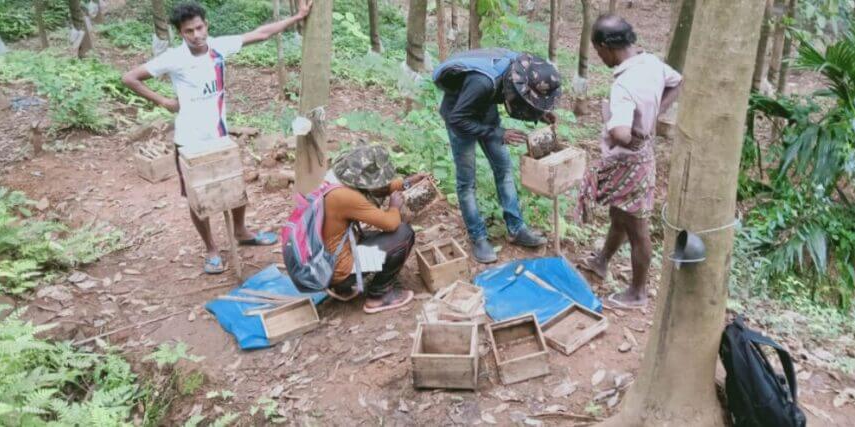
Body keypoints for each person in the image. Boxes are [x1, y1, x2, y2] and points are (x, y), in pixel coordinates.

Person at [121, 1, 311, 274]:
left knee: (235, 186)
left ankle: (242, 232)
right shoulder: (174, 58)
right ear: (180, 33)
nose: (196, 35)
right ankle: (210, 248)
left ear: (206, 25)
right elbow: (130, 78)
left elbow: (261, 34)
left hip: (220, 136)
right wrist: (162, 100)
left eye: (199, 28)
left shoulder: (219, 47)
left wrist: (298, 16)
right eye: (189, 31)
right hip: (189, 142)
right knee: (198, 198)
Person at [576, 15, 683, 308]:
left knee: (637, 228)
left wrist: (615, 126)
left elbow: (621, 132)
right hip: (639, 157)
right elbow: (677, 82)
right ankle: (602, 261)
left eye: (598, 53)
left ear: (605, 47)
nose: (600, 58)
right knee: (619, 216)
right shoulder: (650, 63)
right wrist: (654, 115)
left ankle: (637, 292)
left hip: (630, 162)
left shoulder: (623, 86)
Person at [432, 49, 563, 264]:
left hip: (486, 110)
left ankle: (516, 228)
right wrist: (499, 133)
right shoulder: (482, 83)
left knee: (504, 169)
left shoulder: (522, 70)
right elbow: (457, 119)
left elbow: (521, 98)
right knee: (467, 183)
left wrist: (540, 112)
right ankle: (478, 237)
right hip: (460, 119)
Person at [322, 145, 432, 314]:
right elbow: (390, 223)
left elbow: (376, 188)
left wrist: (408, 182)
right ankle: (379, 296)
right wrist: (394, 207)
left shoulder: (335, 180)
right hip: (338, 272)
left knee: (380, 237)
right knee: (403, 234)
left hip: (328, 261)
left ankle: (342, 287)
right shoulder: (344, 196)